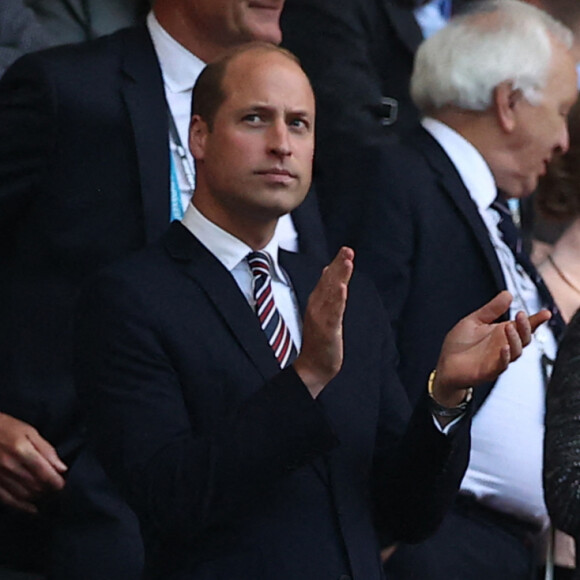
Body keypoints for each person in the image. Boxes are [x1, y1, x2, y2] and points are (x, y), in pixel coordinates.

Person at [75, 41, 549, 580]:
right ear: (198, 136)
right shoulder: (130, 296)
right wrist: (307, 378)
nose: (281, 144)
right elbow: (171, 498)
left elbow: (405, 514)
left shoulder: (346, 294)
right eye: (256, 119)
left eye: (299, 124)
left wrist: (443, 398)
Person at [0, 0, 326, 577]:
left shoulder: (290, 128)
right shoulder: (65, 90)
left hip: (264, 529)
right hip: (83, 523)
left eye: (296, 124)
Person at [354, 1, 578, 578]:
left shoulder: (496, 212)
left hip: (505, 550)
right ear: (509, 103)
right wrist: (383, 531)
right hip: (430, 542)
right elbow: (360, 356)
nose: (563, 141)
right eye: (560, 113)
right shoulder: (398, 178)